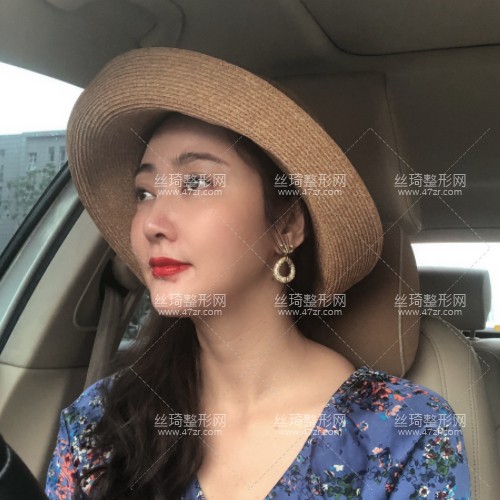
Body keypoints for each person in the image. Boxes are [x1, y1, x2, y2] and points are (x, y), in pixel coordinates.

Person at [44, 48, 470, 499]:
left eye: (196, 183)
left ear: (286, 226)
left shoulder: (405, 432)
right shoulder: (101, 422)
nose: (152, 223)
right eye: (144, 193)